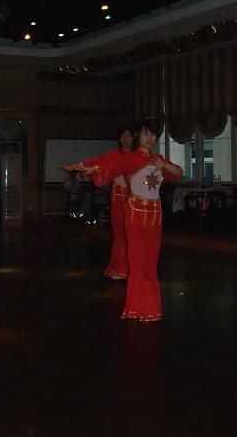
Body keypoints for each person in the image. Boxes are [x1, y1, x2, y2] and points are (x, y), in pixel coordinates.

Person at [74, 120, 183, 322]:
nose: (149, 138)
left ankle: (151, 309)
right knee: (137, 261)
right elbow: (109, 166)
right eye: (145, 134)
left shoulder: (158, 159)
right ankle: (137, 307)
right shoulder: (130, 158)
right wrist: (93, 169)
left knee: (151, 262)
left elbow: (179, 173)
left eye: (152, 134)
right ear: (137, 136)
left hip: (155, 215)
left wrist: (164, 165)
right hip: (135, 213)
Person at [60, 125, 134, 280]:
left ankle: (135, 269)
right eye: (122, 136)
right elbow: (96, 161)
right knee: (120, 233)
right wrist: (75, 167)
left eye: (128, 135)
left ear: (134, 137)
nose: (125, 139)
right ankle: (119, 269)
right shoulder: (114, 155)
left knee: (133, 234)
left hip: (135, 197)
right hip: (118, 197)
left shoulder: (137, 156)